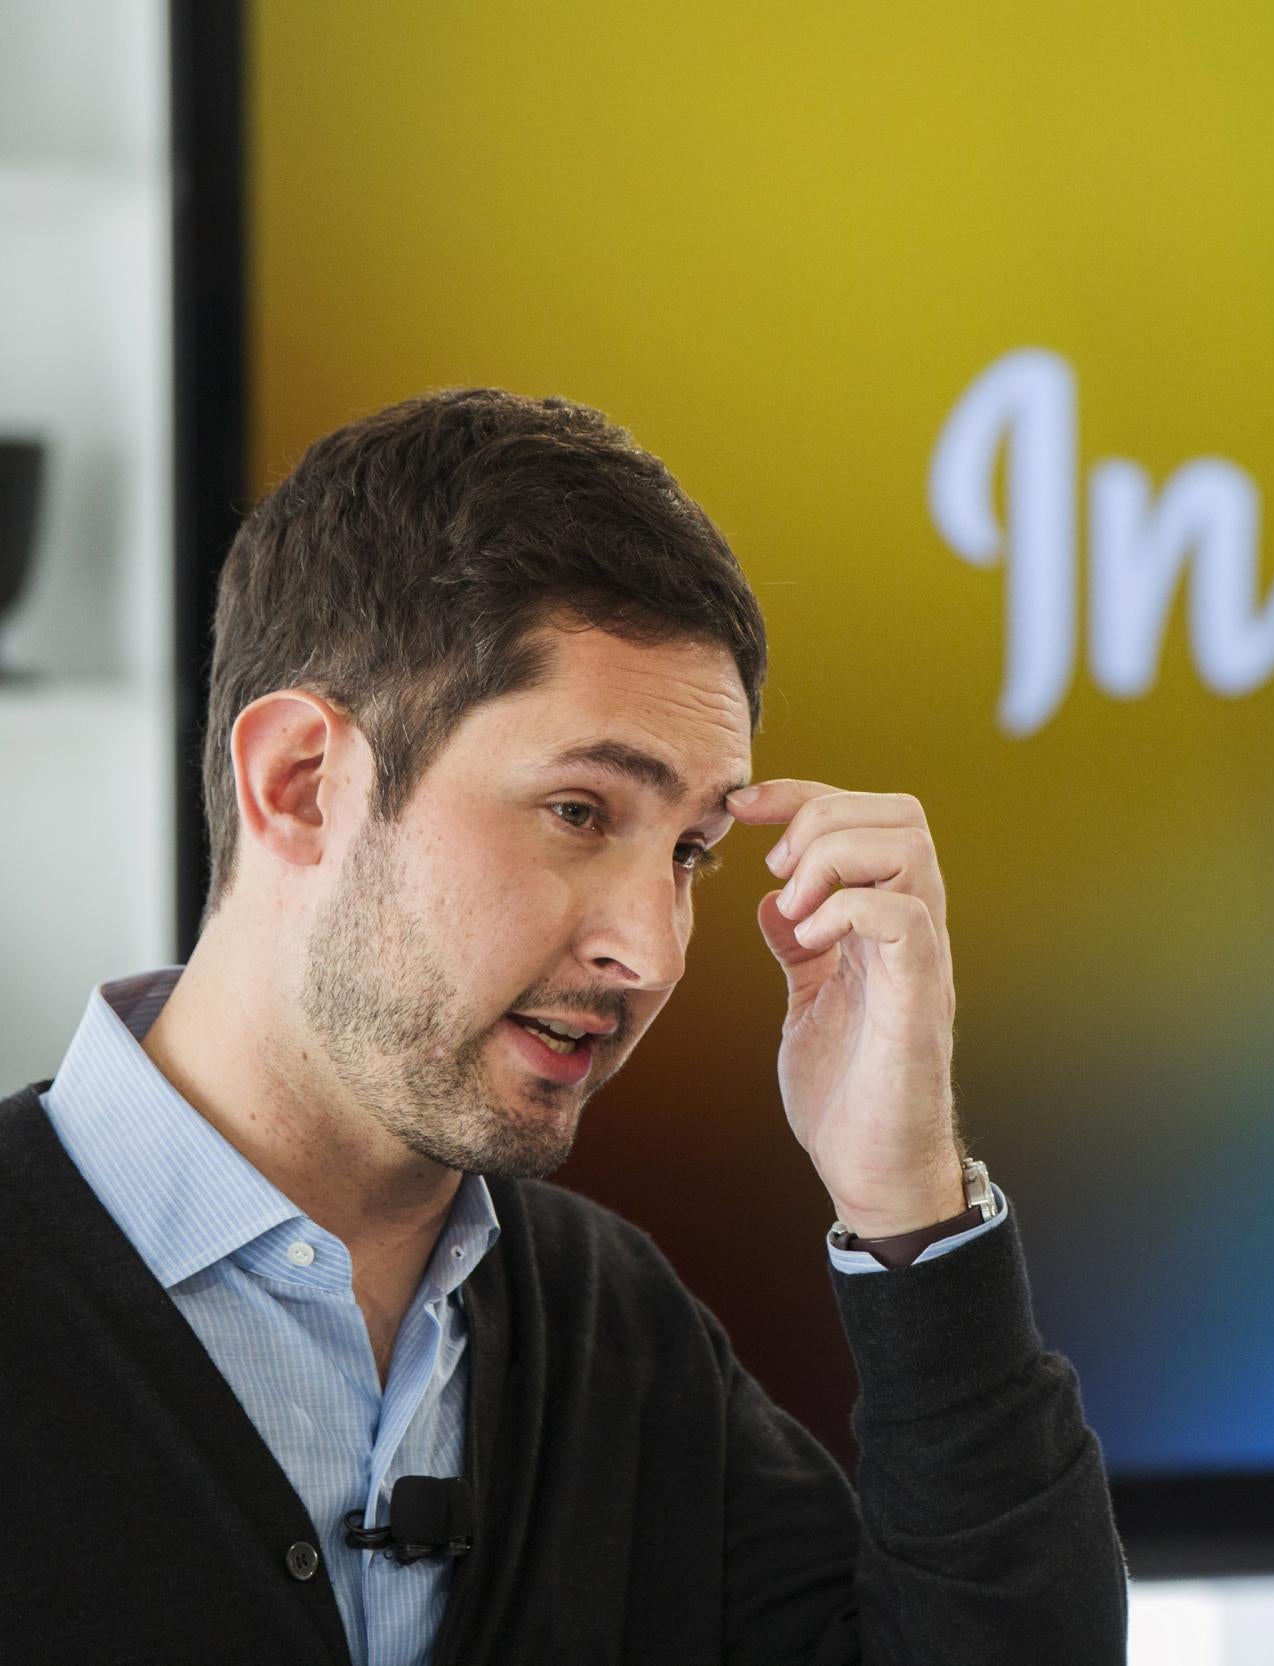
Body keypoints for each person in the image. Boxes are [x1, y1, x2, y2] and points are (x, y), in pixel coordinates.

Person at [0, 388, 1130, 1662]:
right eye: (580, 813)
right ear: (301, 785)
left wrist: (910, 1198)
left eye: (693, 852)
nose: (647, 953)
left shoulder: (614, 1328)